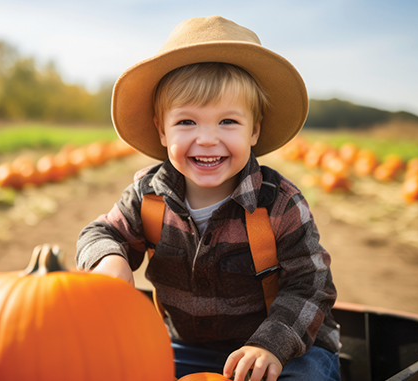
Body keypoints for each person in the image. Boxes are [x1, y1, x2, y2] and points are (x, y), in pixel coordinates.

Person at [75, 16, 340, 381]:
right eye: (187, 123)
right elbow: (100, 232)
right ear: (162, 130)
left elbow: (312, 287)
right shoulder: (148, 197)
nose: (207, 139)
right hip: (186, 346)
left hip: (284, 347)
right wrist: (108, 259)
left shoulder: (280, 205)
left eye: (228, 122)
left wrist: (270, 346)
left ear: (254, 130)